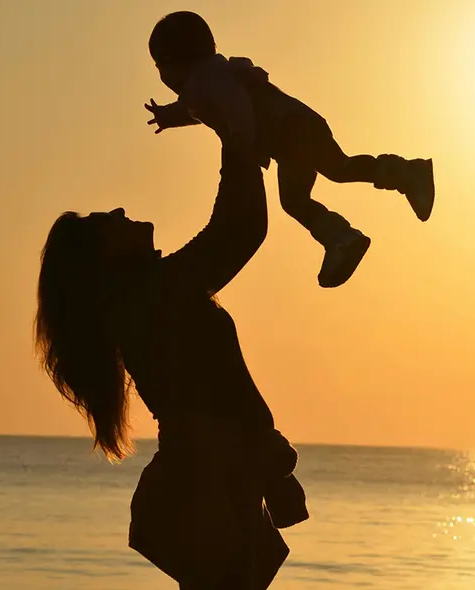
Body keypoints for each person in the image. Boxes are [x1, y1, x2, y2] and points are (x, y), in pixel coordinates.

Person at [34, 137, 304, 589]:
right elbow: (237, 230)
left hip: (212, 478)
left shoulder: (148, 295)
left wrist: (238, 141)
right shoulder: (148, 296)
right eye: (107, 223)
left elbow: (238, 229)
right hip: (205, 484)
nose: (120, 212)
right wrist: (233, 132)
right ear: (103, 260)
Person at [144, 10, 435, 288]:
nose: (162, 77)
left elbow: (234, 103)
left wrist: (240, 140)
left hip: (292, 128)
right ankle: (343, 236)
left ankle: (404, 177)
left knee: (335, 171)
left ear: (176, 63)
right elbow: (194, 109)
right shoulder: (206, 81)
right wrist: (169, 117)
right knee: (309, 190)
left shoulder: (208, 77)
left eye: (160, 67)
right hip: (289, 139)